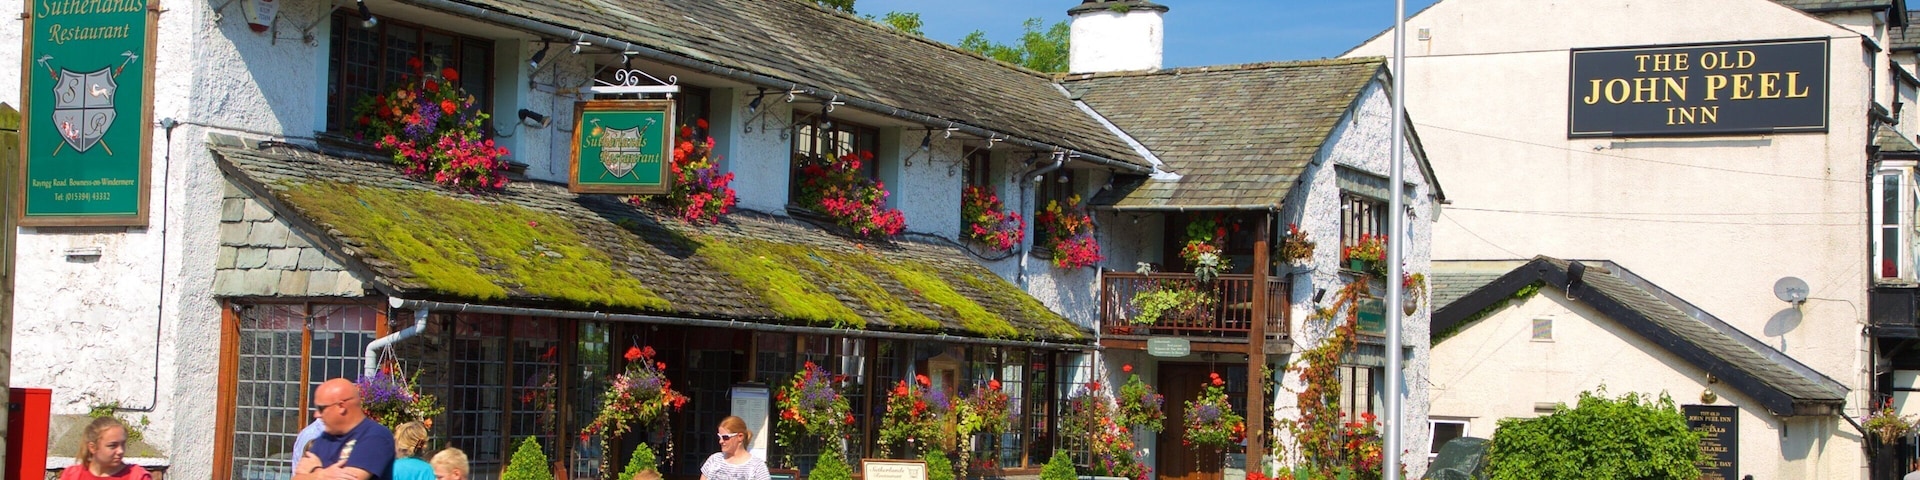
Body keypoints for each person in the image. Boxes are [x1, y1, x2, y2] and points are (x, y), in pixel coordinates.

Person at [296, 378, 396, 480]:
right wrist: (320, 475)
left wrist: (315, 470)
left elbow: (351, 478)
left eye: (321, 409)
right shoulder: (325, 438)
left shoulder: (375, 436)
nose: (316, 414)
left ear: (341, 406)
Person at [59, 416, 152, 480]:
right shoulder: (72, 475)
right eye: (112, 446)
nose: (120, 451)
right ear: (93, 447)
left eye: (123, 444)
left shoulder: (137, 476)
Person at [700, 416, 770, 480]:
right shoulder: (714, 460)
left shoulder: (757, 466)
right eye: (719, 437)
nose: (721, 441)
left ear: (740, 437)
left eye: (725, 437)